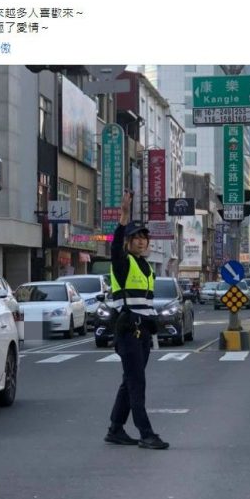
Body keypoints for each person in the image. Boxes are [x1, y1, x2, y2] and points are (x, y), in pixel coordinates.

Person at [104, 191, 169, 450]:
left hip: (143, 334)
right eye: (136, 238)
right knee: (136, 384)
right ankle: (146, 433)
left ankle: (115, 429)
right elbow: (115, 244)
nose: (141, 242)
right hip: (128, 331)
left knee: (129, 381)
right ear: (128, 242)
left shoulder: (146, 267)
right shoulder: (123, 262)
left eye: (144, 237)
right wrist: (123, 216)